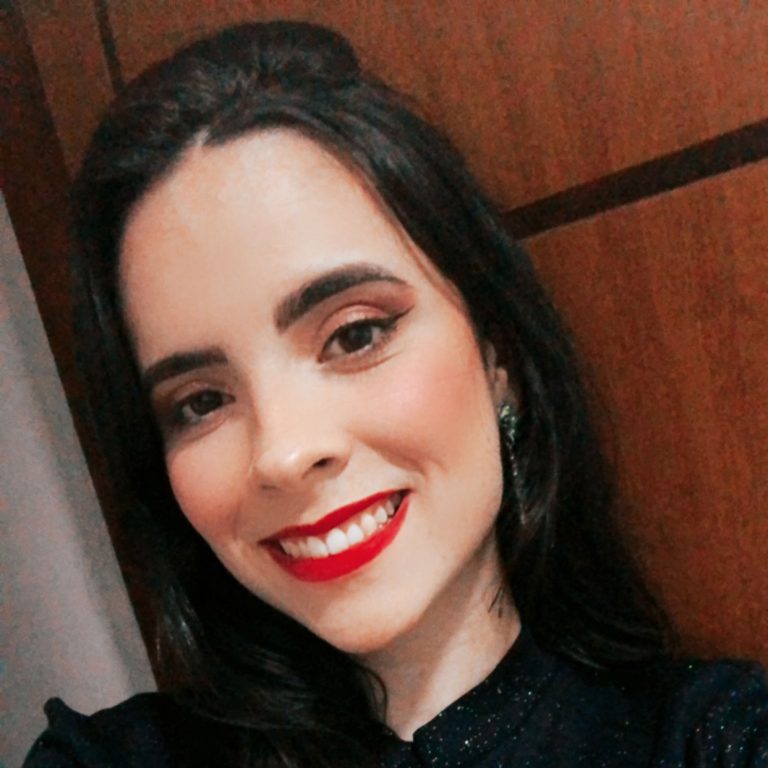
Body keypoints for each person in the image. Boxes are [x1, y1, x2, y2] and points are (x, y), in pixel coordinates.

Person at [24, 20, 768, 768]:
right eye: (201, 402)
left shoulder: (711, 741)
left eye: (355, 335)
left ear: (498, 354)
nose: (284, 452)